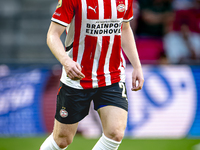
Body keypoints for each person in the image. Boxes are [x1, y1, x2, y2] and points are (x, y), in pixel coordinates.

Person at [40, 0, 144, 149]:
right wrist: (66, 61)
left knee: (115, 133)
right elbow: (52, 35)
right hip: (77, 78)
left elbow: (125, 28)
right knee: (62, 139)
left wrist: (137, 66)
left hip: (112, 76)